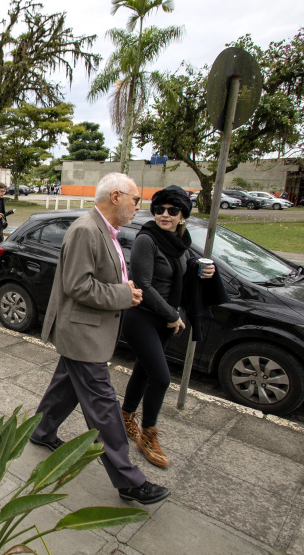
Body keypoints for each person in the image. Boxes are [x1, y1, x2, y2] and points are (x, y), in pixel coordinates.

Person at [29, 172, 169, 506]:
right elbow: (78, 285)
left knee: (65, 386)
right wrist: (124, 295)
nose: (139, 206)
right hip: (83, 334)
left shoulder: (104, 230)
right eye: (136, 199)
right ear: (116, 197)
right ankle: (129, 481)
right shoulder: (86, 230)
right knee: (104, 408)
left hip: (87, 331)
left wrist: (125, 289)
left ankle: (42, 431)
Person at [120, 186, 215, 469]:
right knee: (160, 378)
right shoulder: (146, 239)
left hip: (162, 321)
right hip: (142, 318)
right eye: (159, 209)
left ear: (182, 215)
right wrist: (173, 315)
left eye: (172, 210)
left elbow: (181, 270)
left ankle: (125, 416)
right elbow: (144, 284)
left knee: (144, 370)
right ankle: (148, 435)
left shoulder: (178, 241)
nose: (165, 215)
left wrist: (203, 269)